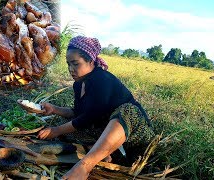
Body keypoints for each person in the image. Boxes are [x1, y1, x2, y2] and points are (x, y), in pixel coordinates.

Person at [37, 36, 155, 180]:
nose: (70, 69)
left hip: (134, 136)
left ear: (91, 61)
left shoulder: (102, 79)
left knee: (128, 110)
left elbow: (89, 117)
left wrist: (56, 131)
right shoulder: (79, 84)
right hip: (110, 140)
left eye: (75, 64)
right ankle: (102, 152)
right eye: (68, 64)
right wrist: (54, 109)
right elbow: (79, 114)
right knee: (66, 132)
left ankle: (84, 166)